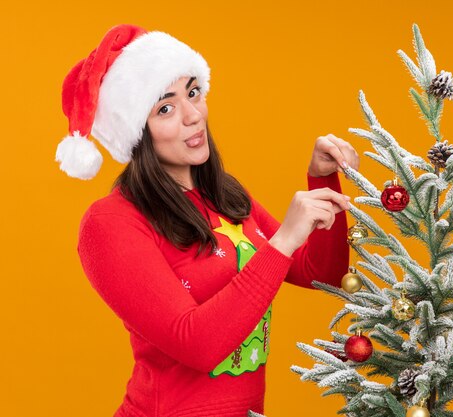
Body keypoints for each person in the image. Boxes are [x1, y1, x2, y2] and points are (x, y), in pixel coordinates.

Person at [55, 24, 359, 417]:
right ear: (137, 132)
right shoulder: (110, 222)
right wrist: (283, 241)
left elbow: (323, 274)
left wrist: (321, 180)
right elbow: (198, 344)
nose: (193, 115)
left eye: (193, 92)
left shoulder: (225, 195)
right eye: (165, 108)